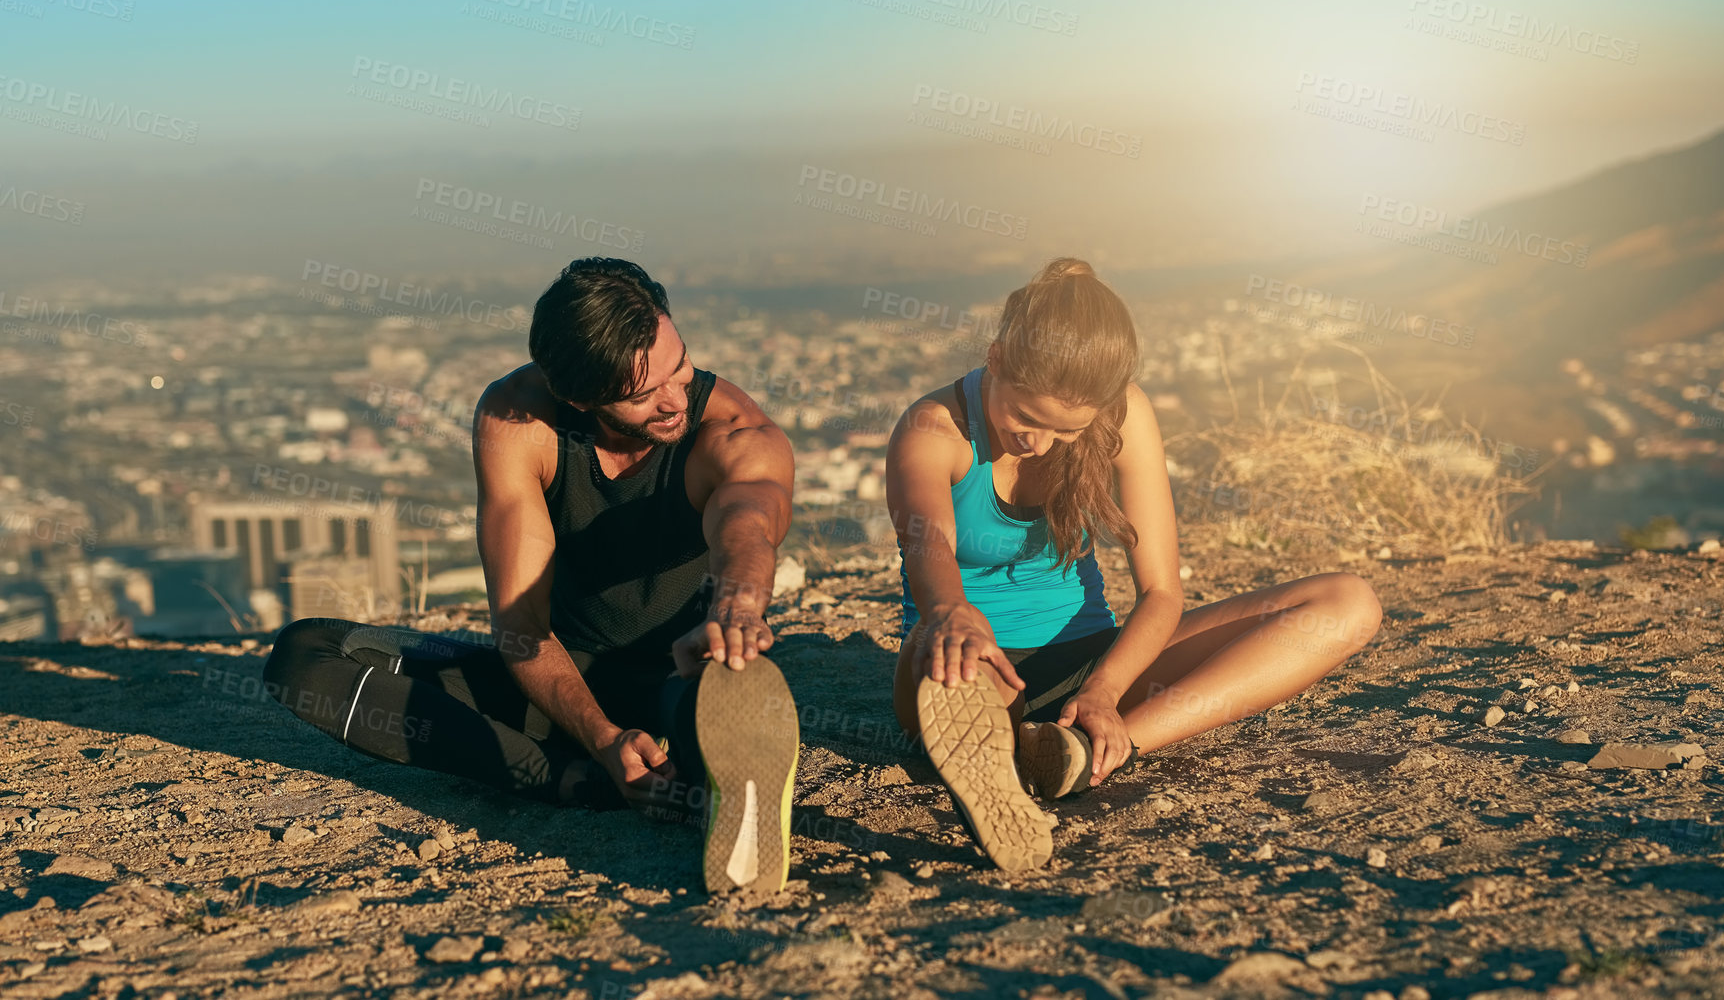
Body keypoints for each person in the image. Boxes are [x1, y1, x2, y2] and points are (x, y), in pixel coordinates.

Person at [264, 258, 801, 894]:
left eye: (679, 365)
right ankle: (576, 779)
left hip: (685, 674)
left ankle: (708, 776)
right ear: (579, 398)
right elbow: (521, 628)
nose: (675, 398)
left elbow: (748, 522)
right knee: (307, 654)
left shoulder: (735, 433)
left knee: (722, 709)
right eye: (642, 394)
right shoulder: (520, 421)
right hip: (559, 681)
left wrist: (736, 609)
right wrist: (601, 739)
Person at [887, 258, 1383, 871]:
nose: (1037, 443)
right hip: (960, 666)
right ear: (995, 357)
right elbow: (926, 548)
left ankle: (1077, 752)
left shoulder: (1124, 413)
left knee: (1347, 603)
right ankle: (990, 747)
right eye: (1024, 417)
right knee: (952, 659)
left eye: (1064, 431)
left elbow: (1161, 593)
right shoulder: (932, 430)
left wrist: (1104, 691)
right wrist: (951, 613)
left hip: (1092, 662)